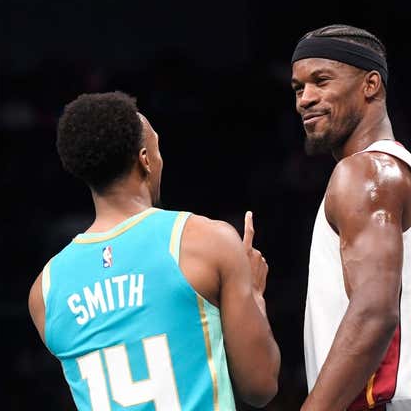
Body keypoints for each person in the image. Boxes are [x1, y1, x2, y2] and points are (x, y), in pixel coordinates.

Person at [27, 91, 280, 410]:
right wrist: (254, 294)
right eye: (158, 149)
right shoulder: (205, 241)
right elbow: (260, 387)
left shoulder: (45, 292)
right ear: (146, 159)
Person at [290, 24, 411, 410]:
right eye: (298, 88)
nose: (305, 99)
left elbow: (373, 314)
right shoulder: (405, 175)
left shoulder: (366, 174)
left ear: (371, 85)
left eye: (321, 81)